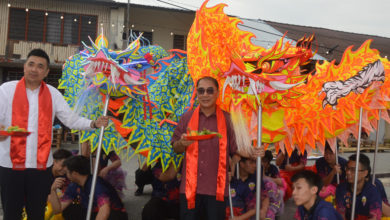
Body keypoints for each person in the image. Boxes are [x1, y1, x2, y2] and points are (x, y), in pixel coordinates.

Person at [0, 49, 109, 220]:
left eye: (40, 66)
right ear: (24, 67)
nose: (34, 69)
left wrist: (93, 123)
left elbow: (71, 119)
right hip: (10, 166)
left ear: (46, 72)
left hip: (41, 168)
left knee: (37, 212)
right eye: (31, 64)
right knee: (11, 213)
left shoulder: (52, 93)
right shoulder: (6, 90)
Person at [172, 76, 239, 220]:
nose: (205, 95)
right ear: (196, 93)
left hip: (216, 188)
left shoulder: (228, 120)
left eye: (210, 91)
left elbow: (237, 150)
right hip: (189, 189)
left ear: (217, 93)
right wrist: (181, 144)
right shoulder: (186, 118)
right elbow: (175, 148)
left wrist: (234, 164)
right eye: (201, 91)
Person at [48, 155, 128, 220]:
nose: (65, 174)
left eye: (67, 172)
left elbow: (105, 211)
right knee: (70, 209)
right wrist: (53, 190)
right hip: (93, 211)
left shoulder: (96, 184)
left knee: (111, 216)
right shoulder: (74, 185)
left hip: (115, 214)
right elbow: (58, 210)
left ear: (75, 174)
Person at [335, 153, 382, 219]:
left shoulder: (372, 191)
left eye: (353, 170)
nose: (348, 172)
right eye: (347, 168)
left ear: (365, 173)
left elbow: (374, 217)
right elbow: (341, 215)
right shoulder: (341, 189)